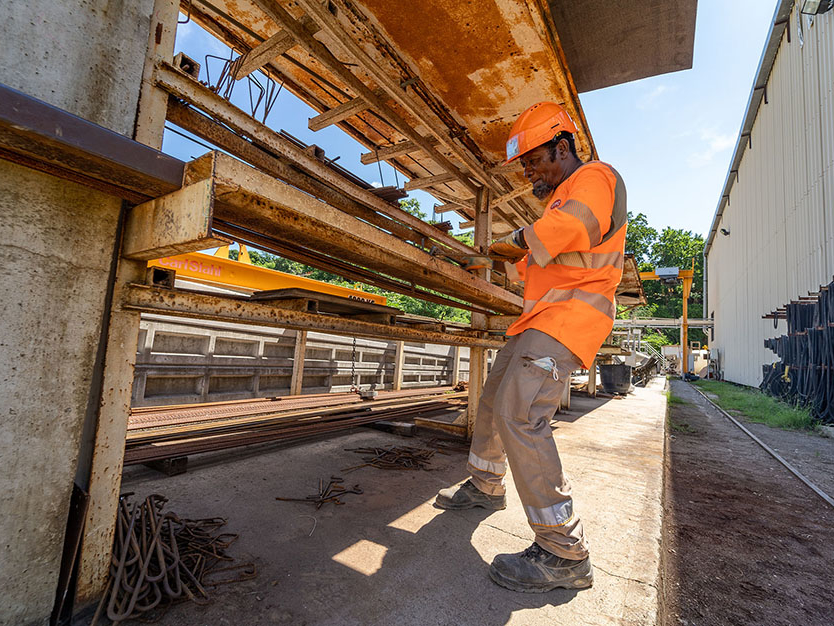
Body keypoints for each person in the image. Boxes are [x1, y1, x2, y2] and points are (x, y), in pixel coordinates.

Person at [435, 101, 627, 593]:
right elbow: (537, 264)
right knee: (493, 399)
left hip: (568, 321)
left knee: (520, 415)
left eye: (535, 161)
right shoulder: (558, 201)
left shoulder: (596, 178)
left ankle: (564, 551)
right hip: (538, 319)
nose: (530, 173)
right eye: (525, 166)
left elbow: (569, 229)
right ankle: (484, 485)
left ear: (563, 149)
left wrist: (515, 238)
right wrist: (491, 264)